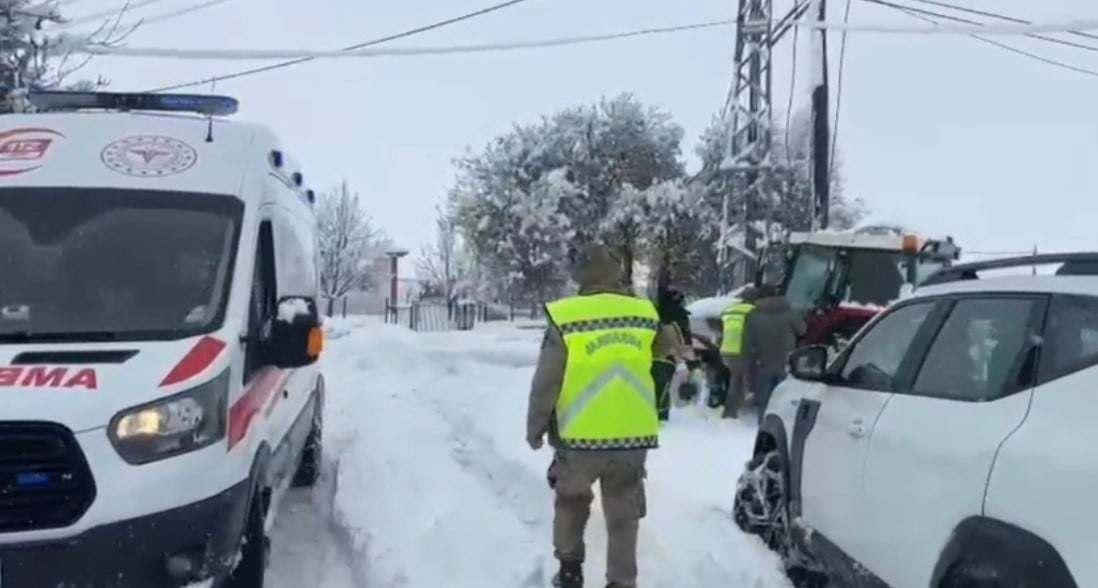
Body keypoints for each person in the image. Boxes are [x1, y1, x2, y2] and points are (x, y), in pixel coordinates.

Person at [526, 243, 678, 588]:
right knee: (624, 514)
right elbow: (669, 348)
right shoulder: (643, 313)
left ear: (580, 276)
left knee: (571, 503)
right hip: (631, 435)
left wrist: (536, 426)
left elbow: (547, 379)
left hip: (578, 437)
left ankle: (569, 571)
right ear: (616, 275)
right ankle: (622, 581)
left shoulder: (567, 317)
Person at [743, 284, 806, 423]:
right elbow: (803, 331)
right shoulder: (791, 312)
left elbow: (748, 344)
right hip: (787, 363)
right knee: (786, 399)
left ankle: (765, 427)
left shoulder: (752, 316)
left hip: (763, 365)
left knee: (765, 401)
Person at [718, 287, 759, 419]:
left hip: (726, 348)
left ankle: (735, 407)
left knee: (735, 379)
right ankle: (730, 413)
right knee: (737, 381)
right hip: (740, 349)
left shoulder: (729, 310)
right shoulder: (753, 311)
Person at [652, 287, 692, 420]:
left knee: (657, 386)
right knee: (663, 387)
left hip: (652, 355)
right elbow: (683, 340)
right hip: (668, 357)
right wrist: (685, 360)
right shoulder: (679, 318)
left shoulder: (654, 312)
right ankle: (662, 414)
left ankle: (657, 412)